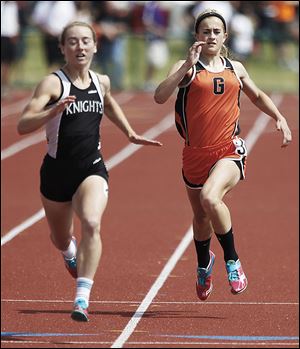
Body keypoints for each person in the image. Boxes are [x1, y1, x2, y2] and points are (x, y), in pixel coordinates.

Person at [17, 21, 162, 322]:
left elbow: (107, 104)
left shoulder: (102, 81)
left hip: (91, 169)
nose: (79, 47)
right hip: (56, 174)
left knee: (92, 223)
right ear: (62, 48)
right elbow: (23, 124)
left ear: (96, 46)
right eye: (72, 41)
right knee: (60, 238)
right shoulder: (52, 84)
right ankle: (69, 252)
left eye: (85, 41)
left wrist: (130, 133)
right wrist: (52, 111)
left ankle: (82, 297)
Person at [154, 9, 292, 301]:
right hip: (194, 154)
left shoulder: (235, 67)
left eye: (217, 31)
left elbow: (256, 95)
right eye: (205, 31)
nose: (211, 36)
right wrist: (183, 68)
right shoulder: (187, 67)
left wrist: (278, 116)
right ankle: (204, 263)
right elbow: (159, 95)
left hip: (228, 149)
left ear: (225, 36)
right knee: (201, 217)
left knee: (210, 197)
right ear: (196, 36)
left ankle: (232, 260)